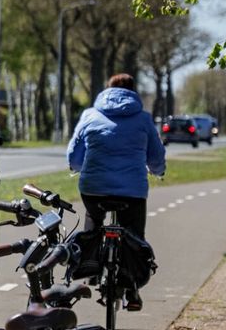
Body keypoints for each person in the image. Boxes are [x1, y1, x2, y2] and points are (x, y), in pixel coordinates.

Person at [67, 73, 166, 311]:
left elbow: (74, 154)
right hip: (131, 191)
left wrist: (77, 167)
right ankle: (132, 289)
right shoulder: (143, 119)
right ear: (133, 91)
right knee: (134, 235)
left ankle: (90, 266)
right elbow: (156, 155)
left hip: (94, 188)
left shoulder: (90, 115)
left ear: (107, 89)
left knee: (93, 221)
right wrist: (158, 170)